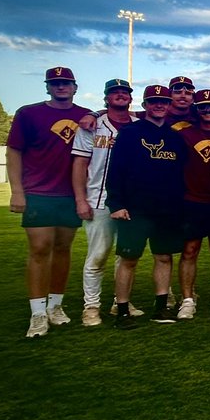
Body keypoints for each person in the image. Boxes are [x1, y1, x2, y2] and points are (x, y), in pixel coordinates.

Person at [8, 66, 90, 338]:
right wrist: (17, 191)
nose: (61, 87)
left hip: (71, 194)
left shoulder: (85, 116)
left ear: (75, 87)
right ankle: (37, 312)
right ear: (47, 86)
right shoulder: (28, 113)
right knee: (40, 249)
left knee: (63, 248)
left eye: (66, 83)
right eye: (55, 83)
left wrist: (96, 114)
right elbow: (14, 151)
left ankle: (55, 305)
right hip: (38, 192)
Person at [105, 84, 188, 325]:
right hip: (135, 208)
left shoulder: (174, 138)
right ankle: (122, 309)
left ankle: (161, 307)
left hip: (167, 209)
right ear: (144, 105)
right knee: (129, 259)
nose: (159, 105)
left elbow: (181, 174)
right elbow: (116, 170)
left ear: (169, 105)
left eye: (163, 101)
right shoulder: (131, 132)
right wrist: (116, 204)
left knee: (163, 257)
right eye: (153, 101)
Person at [71, 78, 134, 326]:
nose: (120, 95)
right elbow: (79, 164)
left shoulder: (138, 124)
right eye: (114, 92)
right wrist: (80, 199)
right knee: (97, 256)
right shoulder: (92, 125)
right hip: (99, 199)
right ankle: (91, 306)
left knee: (126, 257)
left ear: (131, 97)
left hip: (130, 201)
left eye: (124, 92)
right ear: (106, 97)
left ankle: (121, 303)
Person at [176, 88, 210, 319]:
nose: (207, 110)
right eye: (203, 106)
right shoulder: (185, 134)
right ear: (196, 109)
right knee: (190, 250)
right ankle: (187, 299)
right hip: (192, 199)